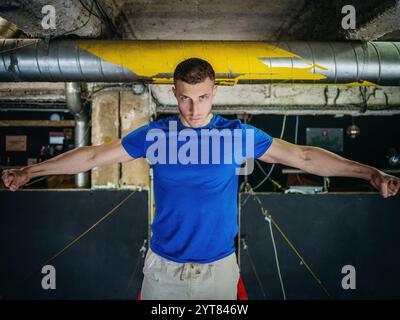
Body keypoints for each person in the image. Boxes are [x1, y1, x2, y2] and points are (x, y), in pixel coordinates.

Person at [2, 58, 400, 300]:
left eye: (203, 97)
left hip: (218, 271)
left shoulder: (237, 136)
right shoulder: (155, 136)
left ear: (214, 93)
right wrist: (30, 172)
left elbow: (304, 156)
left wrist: (369, 172)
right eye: (185, 97)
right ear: (175, 94)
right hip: (163, 269)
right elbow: (90, 155)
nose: (194, 108)